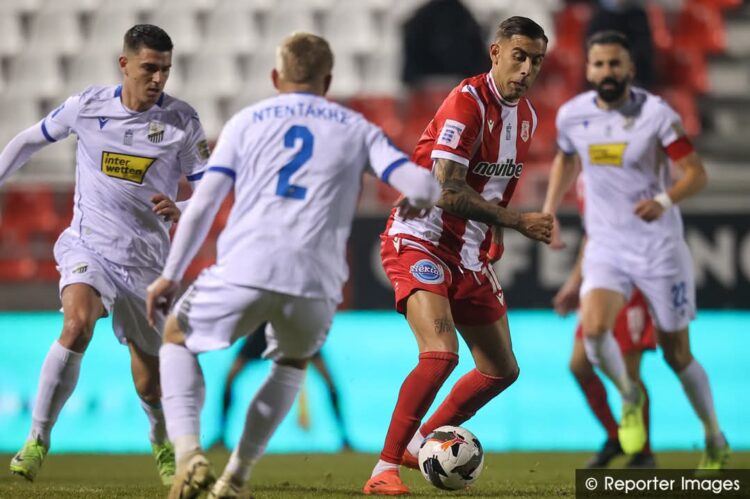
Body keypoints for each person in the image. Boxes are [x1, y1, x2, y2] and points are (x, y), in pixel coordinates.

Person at [145, 32, 441, 499]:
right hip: (315, 284)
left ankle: (189, 456)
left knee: (176, 338)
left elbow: (204, 204)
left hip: (246, 267)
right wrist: (420, 199)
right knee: (291, 365)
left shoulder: (246, 122)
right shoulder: (357, 127)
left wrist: (171, 275)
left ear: (275, 77)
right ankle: (236, 477)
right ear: (328, 81)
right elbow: (423, 184)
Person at [1, 25, 209, 485]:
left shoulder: (182, 121)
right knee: (76, 325)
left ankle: (160, 442)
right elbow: (30, 140)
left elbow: (209, 188)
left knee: (149, 383)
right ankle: (36, 440)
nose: (158, 78)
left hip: (146, 264)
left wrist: (183, 205)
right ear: (124, 64)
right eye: (149, 68)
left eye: (166, 70)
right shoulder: (88, 106)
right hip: (88, 246)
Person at [364, 17, 553, 496]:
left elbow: (495, 184)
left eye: (536, 61)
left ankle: (421, 442)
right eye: (519, 57)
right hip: (420, 237)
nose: (527, 69)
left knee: (501, 370)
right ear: (496, 53)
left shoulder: (526, 117)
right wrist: (517, 222)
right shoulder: (466, 102)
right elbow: (446, 189)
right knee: (440, 353)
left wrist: (495, 230)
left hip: (468, 253)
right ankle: (384, 469)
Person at [543, 30, 729, 469]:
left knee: (677, 356)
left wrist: (663, 200)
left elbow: (696, 173)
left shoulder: (657, 115)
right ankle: (629, 396)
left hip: (659, 248)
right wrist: (549, 209)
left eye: (615, 63)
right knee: (593, 333)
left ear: (630, 68)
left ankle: (714, 435)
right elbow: (566, 158)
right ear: (588, 69)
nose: (607, 71)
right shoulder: (573, 116)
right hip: (606, 246)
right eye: (599, 64)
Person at [553, 178, 656, 468]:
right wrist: (575, 282)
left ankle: (643, 452)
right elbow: (593, 235)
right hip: (600, 277)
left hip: (631, 279)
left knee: (630, 373)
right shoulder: (585, 177)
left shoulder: (622, 169)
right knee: (579, 365)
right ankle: (615, 436)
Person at [214, 323, 352, 451]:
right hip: (271, 329)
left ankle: (344, 437)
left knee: (329, 381)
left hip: (293, 330)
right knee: (230, 379)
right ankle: (221, 434)